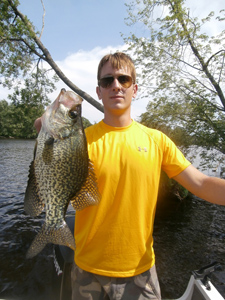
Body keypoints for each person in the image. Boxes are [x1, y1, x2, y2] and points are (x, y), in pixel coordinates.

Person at [35, 52, 225, 300]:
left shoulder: (156, 140)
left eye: (123, 79)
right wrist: (53, 119)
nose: (115, 85)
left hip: (139, 271)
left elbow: (200, 183)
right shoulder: (79, 139)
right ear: (99, 90)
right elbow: (45, 143)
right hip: (86, 270)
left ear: (134, 89)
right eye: (107, 81)